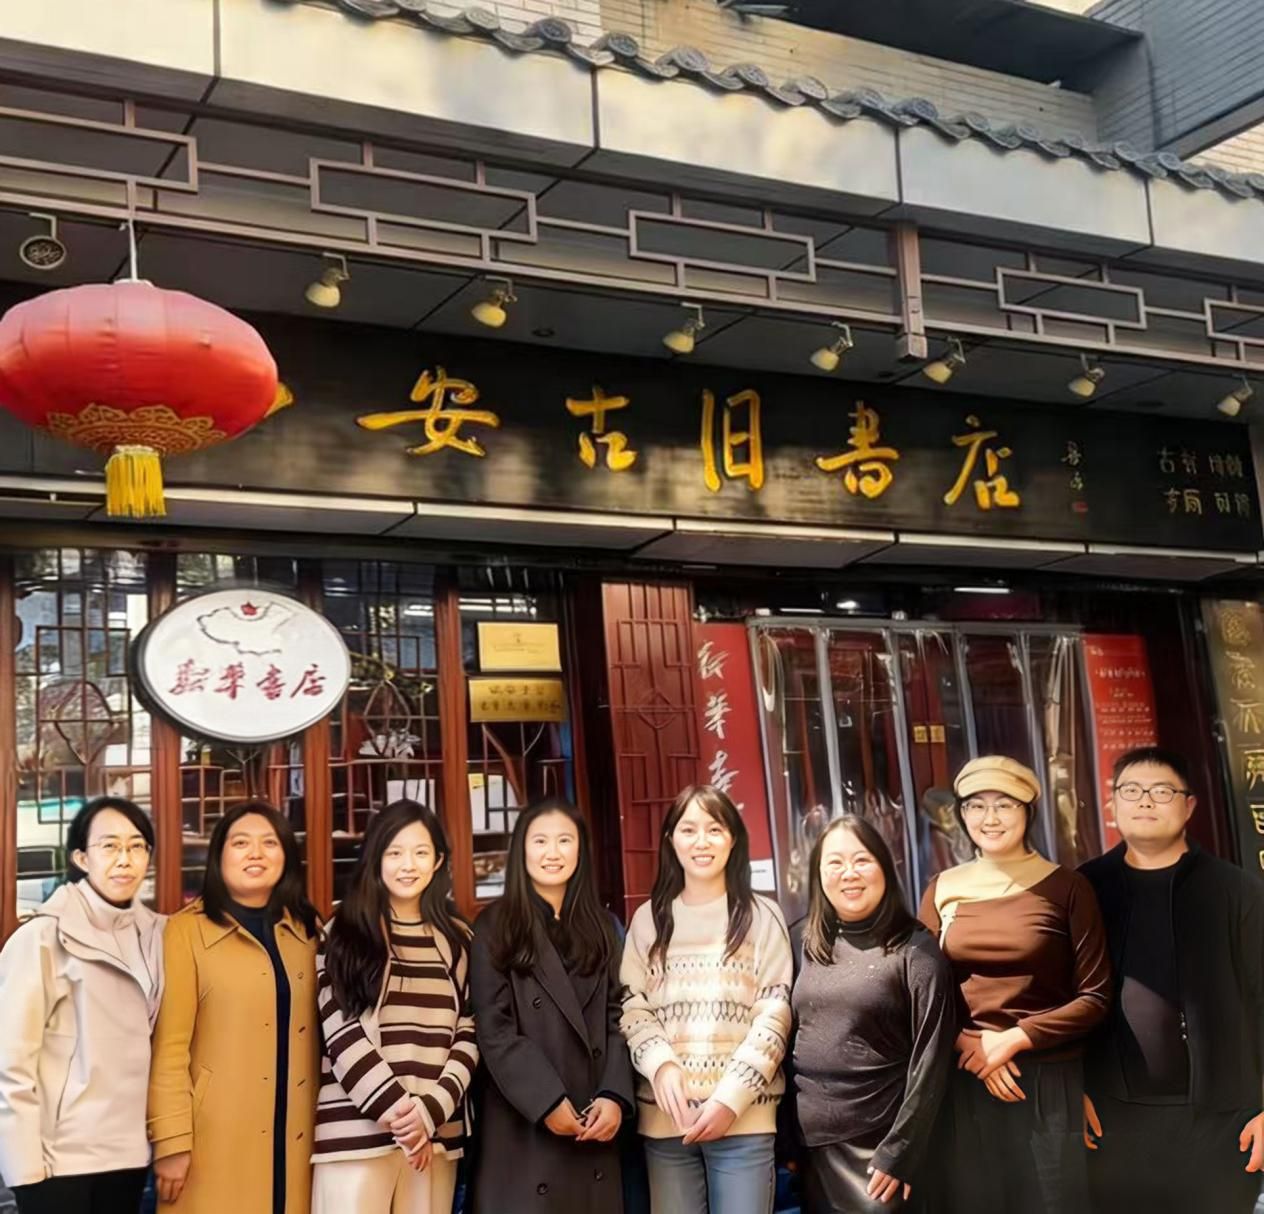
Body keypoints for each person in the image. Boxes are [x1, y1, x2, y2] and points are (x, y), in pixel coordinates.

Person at [918, 755, 1110, 1213]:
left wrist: (1013, 1040)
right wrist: (971, 1046)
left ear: (1028, 811)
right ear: (962, 814)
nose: (990, 818)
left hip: (1046, 1084)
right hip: (966, 1081)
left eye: (1004, 804)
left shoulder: (1067, 887)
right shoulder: (942, 887)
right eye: (976, 805)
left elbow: (1096, 996)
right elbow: (921, 990)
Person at [1080, 745, 1264, 1213]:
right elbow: (1065, 998)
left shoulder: (1237, 891)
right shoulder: (1085, 889)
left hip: (1223, 1120)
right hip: (1111, 1118)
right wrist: (1071, 1093)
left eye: (1162, 791)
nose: (1145, 801)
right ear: (1112, 804)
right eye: (1131, 791)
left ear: (1189, 806)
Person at [621, 784, 792, 1214]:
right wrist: (660, 1065)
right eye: (689, 830)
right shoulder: (648, 920)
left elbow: (774, 1015)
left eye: (715, 829)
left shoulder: (761, 916)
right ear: (670, 840)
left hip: (744, 1121)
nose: (702, 841)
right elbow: (632, 1007)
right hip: (667, 1125)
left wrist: (729, 1099)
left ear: (733, 839)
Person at [147, 801, 320, 1214]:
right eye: (241, 843)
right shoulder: (184, 932)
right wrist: (171, 1141)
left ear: (286, 855)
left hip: (297, 1131)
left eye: (269, 843)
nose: (256, 853)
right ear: (219, 856)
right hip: (215, 1136)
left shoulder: (307, 931)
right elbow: (169, 1049)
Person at [311, 799, 477, 1214]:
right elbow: (339, 1032)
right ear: (376, 859)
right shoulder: (343, 932)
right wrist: (402, 1116)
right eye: (395, 852)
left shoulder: (458, 940)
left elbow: (470, 1031)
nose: (408, 865)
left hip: (434, 1138)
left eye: (420, 852)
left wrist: (429, 1113)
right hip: (354, 1139)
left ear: (438, 861)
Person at [469, 796, 634, 1213]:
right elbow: (494, 1028)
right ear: (522, 849)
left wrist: (614, 1094)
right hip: (524, 1125)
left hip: (595, 1122)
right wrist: (546, 1100)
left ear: (581, 849)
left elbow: (620, 1016)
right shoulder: (495, 926)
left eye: (565, 840)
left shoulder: (603, 927)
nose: (553, 852)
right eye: (540, 841)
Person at [0, 797, 164, 1214]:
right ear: (81, 858)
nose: (124, 859)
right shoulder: (42, 937)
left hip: (129, 1156)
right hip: (59, 1162)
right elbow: (10, 1063)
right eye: (109, 846)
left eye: (137, 846)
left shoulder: (159, 935)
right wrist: (24, 1169)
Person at [791, 814, 954, 1214]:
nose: (849, 873)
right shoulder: (801, 941)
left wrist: (900, 1150)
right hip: (813, 1149)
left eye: (861, 860)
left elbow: (932, 1059)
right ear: (818, 874)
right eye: (835, 862)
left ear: (884, 867)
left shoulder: (915, 948)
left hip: (882, 1149)